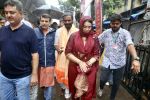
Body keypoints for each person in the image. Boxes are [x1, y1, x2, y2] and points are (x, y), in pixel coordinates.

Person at [0, 0, 39, 100]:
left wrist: (34, 75)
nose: (8, 15)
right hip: (4, 76)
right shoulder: (2, 30)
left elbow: (35, 54)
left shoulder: (30, 32)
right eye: (6, 12)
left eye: (12, 12)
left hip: (23, 77)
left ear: (20, 13)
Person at [98, 14, 140, 100]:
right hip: (107, 61)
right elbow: (97, 41)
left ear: (120, 23)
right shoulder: (106, 33)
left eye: (117, 23)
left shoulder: (125, 33)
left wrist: (135, 58)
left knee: (116, 83)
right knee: (102, 79)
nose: (115, 25)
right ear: (110, 23)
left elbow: (129, 44)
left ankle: (112, 98)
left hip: (120, 63)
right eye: (113, 23)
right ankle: (101, 88)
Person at [65, 16, 100, 100]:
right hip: (74, 67)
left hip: (90, 68)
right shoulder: (74, 36)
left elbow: (97, 54)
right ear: (81, 26)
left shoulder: (94, 37)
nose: (87, 29)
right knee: (75, 90)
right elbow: (67, 52)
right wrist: (80, 62)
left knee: (88, 91)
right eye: (85, 27)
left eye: (89, 27)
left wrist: (88, 63)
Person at [54, 13, 78, 99]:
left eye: (69, 20)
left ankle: (68, 90)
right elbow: (55, 44)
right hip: (62, 57)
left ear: (72, 20)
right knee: (60, 75)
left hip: (73, 57)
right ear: (63, 21)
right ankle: (64, 88)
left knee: (70, 75)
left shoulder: (77, 31)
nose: (67, 22)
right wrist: (58, 49)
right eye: (65, 21)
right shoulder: (58, 31)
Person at [34, 14, 56, 100]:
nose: (44, 23)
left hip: (50, 63)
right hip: (37, 63)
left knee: (49, 84)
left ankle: (48, 98)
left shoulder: (54, 33)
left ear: (50, 22)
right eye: (42, 21)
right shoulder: (34, 31)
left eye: (46, 21)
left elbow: (57, 46)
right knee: (37, 82)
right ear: (39, 22)